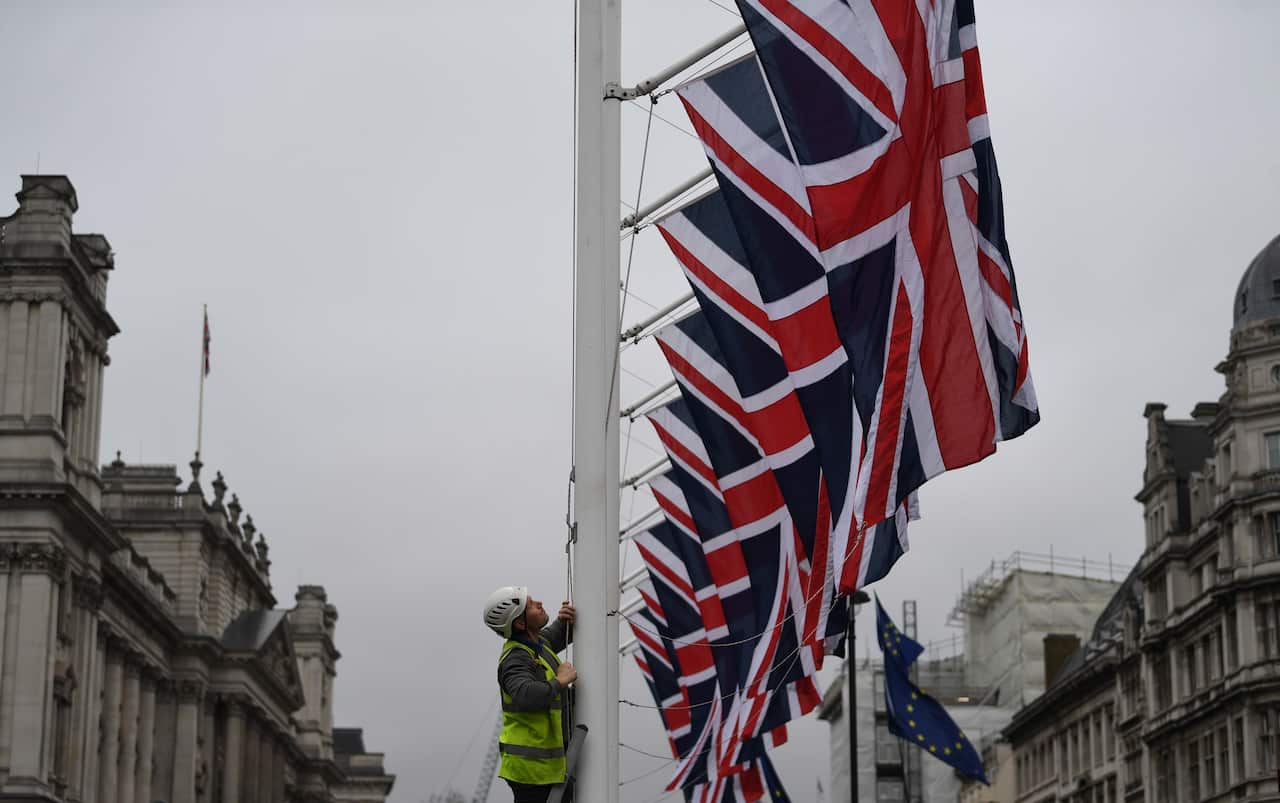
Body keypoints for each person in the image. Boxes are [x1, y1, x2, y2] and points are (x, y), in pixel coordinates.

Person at [483, 586, 577, 803]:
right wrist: (560, 680)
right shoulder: (515, 658)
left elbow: (554, 636)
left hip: (542, 768)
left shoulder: (535, 644)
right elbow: (526, 694)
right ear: (520, 623)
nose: (540, 603)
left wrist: (564, 622)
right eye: (532, 605)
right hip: (532, 771)